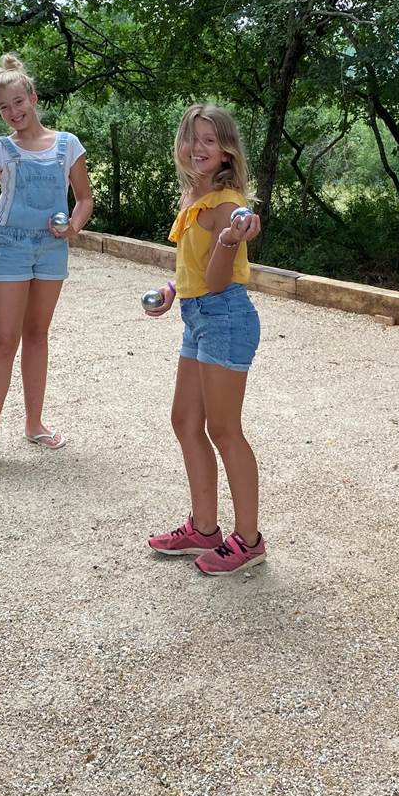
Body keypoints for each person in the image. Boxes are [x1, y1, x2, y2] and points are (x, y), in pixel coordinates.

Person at [0, 53, 93, 472]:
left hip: (51, 248)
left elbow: (84, 199)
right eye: (3, 107)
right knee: (2, 341)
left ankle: (35, 424)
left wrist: (74, 227)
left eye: (18, 102)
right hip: (9, 246)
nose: (13, 112)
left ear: (33, 97)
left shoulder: (67, 144)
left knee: (37, 334)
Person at [143, 103, 266, 576]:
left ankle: (248, 540)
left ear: (226, 151)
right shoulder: (194, 196)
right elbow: (192, 271)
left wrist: (230, 241)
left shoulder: (227, 207)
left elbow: (216, 281)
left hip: (225, 317)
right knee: (185, 420)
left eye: (210, 140)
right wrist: (171, 289)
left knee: (224, 429)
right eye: (193, 138)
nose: (199, 148)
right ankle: (204, 528)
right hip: (197, 316)